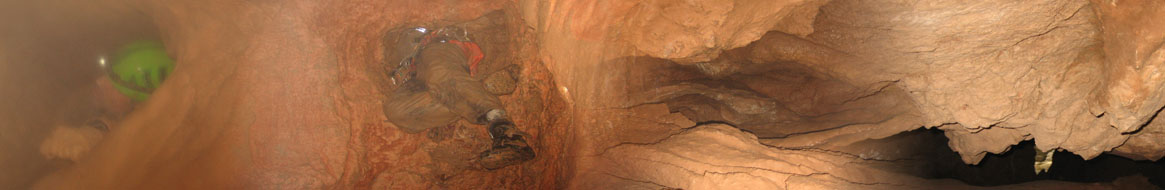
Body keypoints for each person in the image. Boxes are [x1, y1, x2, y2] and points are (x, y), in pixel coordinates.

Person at [381, 27, 535, 170]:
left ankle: (506, 132)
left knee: (439, 76)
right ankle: (482, 89)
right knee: (396, 110)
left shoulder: (417, 36)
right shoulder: (404, 66)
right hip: (418, 76)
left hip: (437, 48)